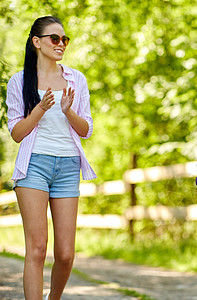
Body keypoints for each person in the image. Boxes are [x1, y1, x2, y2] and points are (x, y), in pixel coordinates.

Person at [6, 16, 96, 300]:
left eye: (64, 39)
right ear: (37, 42)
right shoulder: (19, 81)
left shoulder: (76, 79)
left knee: (66, 254)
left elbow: (86, 130)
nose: (61, 44)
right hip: (34, 166)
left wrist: (68, 110)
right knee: (36, 248)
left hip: (68, 167)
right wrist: (41, 108)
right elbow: (17, 133)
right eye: (54, 38)